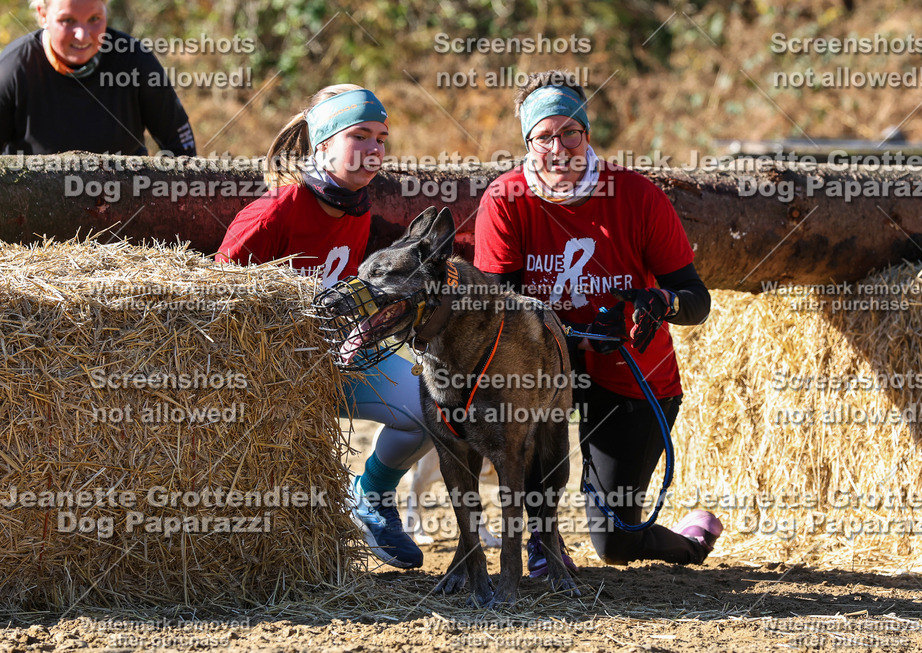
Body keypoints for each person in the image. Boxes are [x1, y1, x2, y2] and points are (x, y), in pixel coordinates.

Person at [474, 70, 723, 573]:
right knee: (527, 412)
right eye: (544, 136)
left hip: (632, 372)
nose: (559, 147)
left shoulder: (636, 195)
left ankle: (693, 539)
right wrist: (557, 334)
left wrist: (660, 303)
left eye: (571, 132)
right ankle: (543, 540)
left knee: (614, 544)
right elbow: (491, 306)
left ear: (587, 135)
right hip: (546, 365)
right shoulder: (506, 199)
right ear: (528, 142)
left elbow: (696, 299)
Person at [215, 84, 430, 569]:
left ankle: (370, 494)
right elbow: (214, 303)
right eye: (360, 136)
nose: (374, 150)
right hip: (266, 373)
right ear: (324, 143)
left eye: (382, 137)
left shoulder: (357, 205)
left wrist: (364, 324)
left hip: (329, 359)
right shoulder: (274, 210)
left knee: (429, 407)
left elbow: (338, 292)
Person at [0, 0, 194, 155]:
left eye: (94, 19)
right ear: (43, 14)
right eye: (67, 20)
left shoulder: (135, 61)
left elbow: (180, 146)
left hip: (125, 198)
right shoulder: (12, 70)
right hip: (33, 201)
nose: (82, 35)